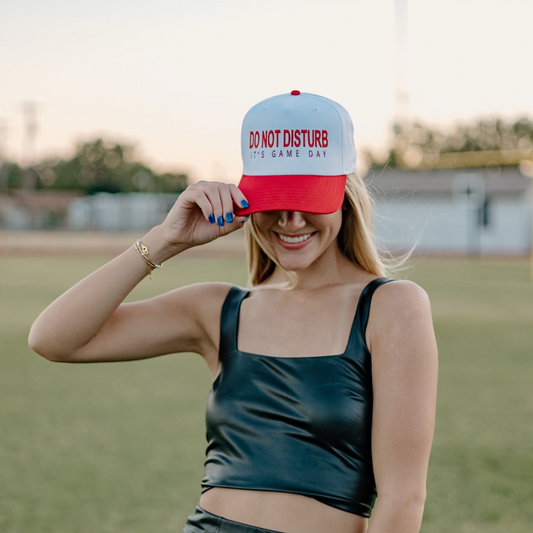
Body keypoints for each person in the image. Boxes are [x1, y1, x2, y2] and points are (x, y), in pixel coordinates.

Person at [28, 91, 438, 533]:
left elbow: (403, 497)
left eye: (308, 198)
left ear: (344, 193)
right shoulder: (219, 309)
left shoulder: (391, 307)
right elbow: (52, 339)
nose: (291, 220)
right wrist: (164, 241)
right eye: (275, 199)